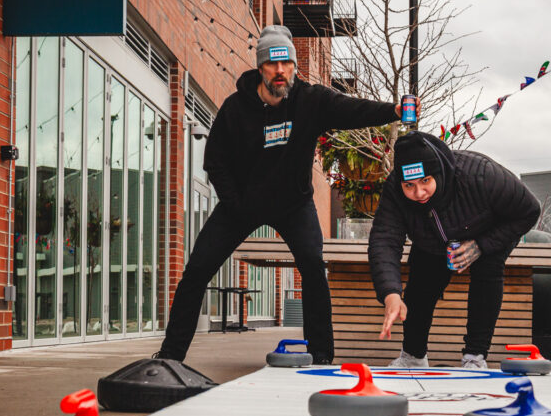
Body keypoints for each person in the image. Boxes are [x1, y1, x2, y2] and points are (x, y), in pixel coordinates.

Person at [155, 25, 415, 365]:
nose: (281, 72)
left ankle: (321, 356)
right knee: (197, 270)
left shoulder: (310, 100)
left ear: (293, 66)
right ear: (261, 67)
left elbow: (352, 109)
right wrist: (237, 203)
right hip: (242, 206)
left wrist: (393, 111)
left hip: (294, 204)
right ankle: (170, 357)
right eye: (273, 65)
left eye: (287, 64)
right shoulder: (235, 109)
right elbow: (214, 162)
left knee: (312, 265)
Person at [367, 131, 540, 369]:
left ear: (438, 173)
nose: (418, 193)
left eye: (425, 181)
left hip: (487, 230)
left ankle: (475, 357)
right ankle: (413, 356)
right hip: (432, 239)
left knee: (487, 272)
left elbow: (529, 210)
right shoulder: (394, 191)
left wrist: (482, 245)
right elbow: (384, 239)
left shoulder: (482, 174)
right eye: (410, 185)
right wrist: (390, 293)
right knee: (420, 284)